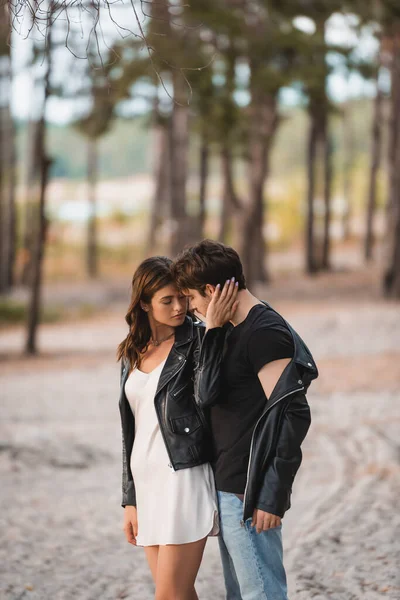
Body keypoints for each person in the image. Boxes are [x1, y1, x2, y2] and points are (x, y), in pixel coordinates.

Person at [172, 240, 319, 600]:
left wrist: (272, 495)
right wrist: (213, 331)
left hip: (248, 490)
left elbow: (293, 415)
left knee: (261, 593)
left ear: (210, 291)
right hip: (229, 486)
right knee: (240, 594)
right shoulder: (227, 329)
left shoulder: (264, 332)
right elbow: (205, 396)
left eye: (191, 299)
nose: (190, 309)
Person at [117, 256, 238, 600]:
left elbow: (208, 393)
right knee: (179, 594)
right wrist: (129, 500)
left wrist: (213, 331)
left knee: (168, 595)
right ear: (143, 303)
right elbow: (130, 431)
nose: (179, 307)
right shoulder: (132, 352)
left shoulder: (199, 342)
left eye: (182, 298)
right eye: (166, 300)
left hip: (183, 478)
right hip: (147, 483)